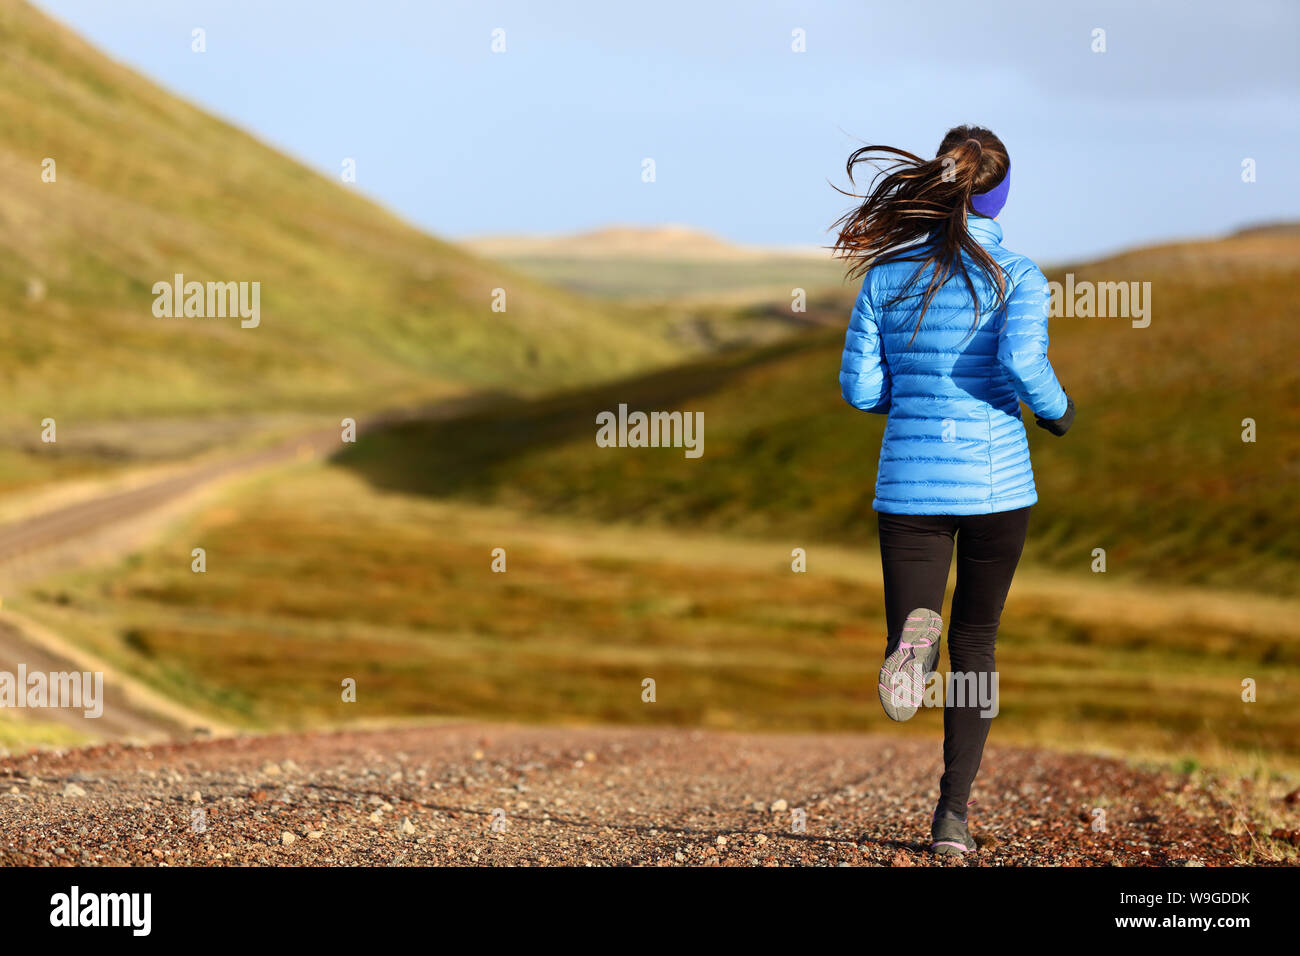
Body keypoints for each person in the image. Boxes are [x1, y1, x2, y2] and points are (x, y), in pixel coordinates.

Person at [831, 125, 1075, 856]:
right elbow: (1023, 361)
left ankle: (910, 637)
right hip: (997, 483)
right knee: (978, 643)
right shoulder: (1022, 276)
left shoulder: (885, 276)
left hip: (909, 485)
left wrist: (906, 407)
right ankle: (952, 818)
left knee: (918, 625)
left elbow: (858, 387)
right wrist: (1059, 412)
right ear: (1001, 194)